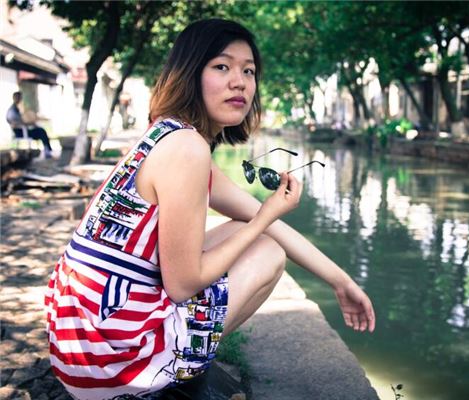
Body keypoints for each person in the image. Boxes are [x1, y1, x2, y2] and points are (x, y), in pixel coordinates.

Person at [44, 19, 375, 400]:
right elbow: (184, 284)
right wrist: (266, 216)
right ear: (190, 74)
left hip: (79, 350)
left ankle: (178, 360)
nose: (240, 82)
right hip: (113, 368)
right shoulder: (188, 149)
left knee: (246, 231)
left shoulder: (167, 134)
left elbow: (256, 217)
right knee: (267, 252)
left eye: (248, 71)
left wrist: (340, 281)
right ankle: (169, 378)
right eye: (222, 66)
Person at [6, 91, 53, 158]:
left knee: (40, 130)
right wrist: (30, 122)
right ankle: (47, 150)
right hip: (21, 132)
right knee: (41, 131)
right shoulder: (12, 111)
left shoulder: (16, 108)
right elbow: (19, 122)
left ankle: (47, 150)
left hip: (23, 129)